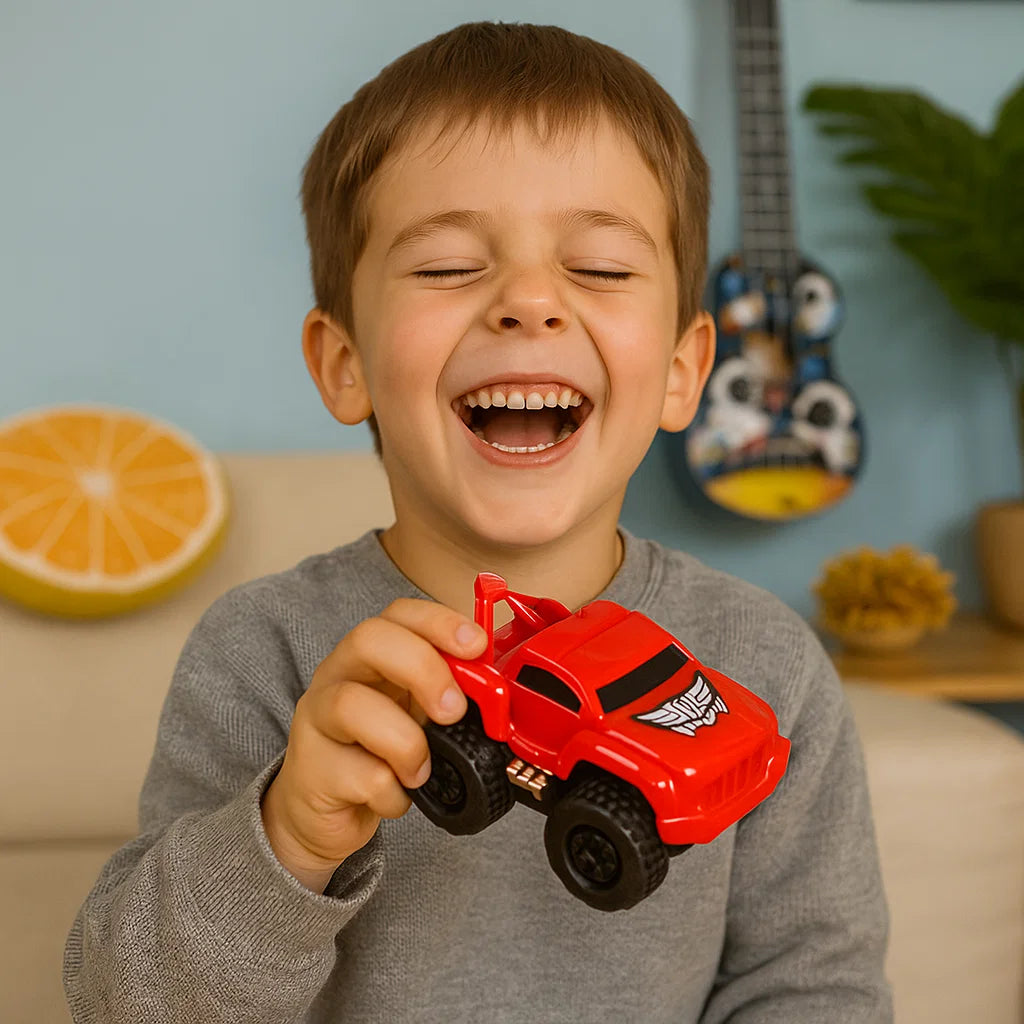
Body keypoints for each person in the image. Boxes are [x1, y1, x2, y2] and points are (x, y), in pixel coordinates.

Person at [63, 20, 892, 1023]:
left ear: (683, 373)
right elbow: (126, 1004)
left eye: (601, 267)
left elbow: (814, 988)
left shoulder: (768, 664)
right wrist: (288, 835)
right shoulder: (264, 652)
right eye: (449, 265)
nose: (529, 302)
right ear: (345, 366)